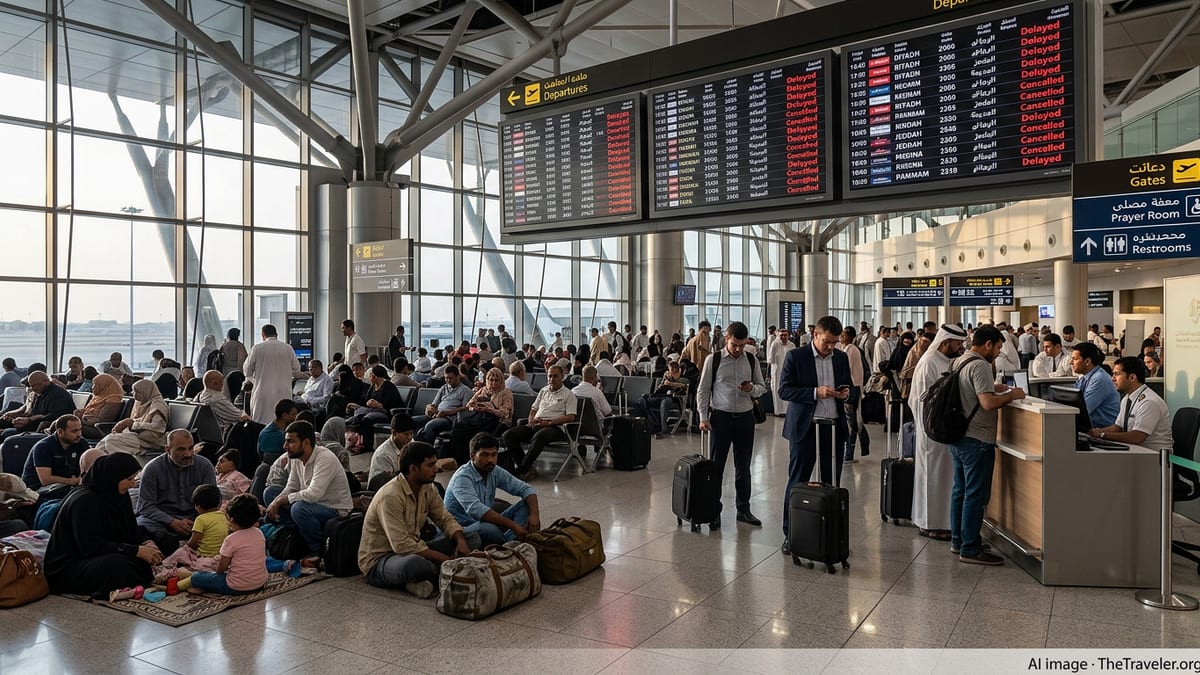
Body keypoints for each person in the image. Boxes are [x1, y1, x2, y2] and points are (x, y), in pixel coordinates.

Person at [358, 441, 480, 598]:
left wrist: (460, 541)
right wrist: (447, 560)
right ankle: (430, 574)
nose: (436, 469)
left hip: (415, 547)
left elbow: (444, 518)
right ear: (413, 469)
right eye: (430, 465)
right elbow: (401, 546)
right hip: (381, 560)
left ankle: (422, 580)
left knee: (472, 537)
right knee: (415, 564)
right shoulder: (390, 496)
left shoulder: (427, 487)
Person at [947, 325, 1025, 565]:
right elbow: (988, 403)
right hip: (977, 440)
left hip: (958, 436)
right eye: (999, 347)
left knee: (960, 491)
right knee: (974, 494)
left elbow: (971, 393)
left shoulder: (958, 361)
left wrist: (995, 388)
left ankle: (958, 540)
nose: (999, 352)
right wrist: (1012, 395)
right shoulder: (980, 364)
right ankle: (970, 548)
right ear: (988, 344)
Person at [778, 316, 851, 549]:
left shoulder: (841, 357)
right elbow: (784, 390)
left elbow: (850, 386)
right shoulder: (796, 356)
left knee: (832, 483)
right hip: (805, 427)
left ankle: (830, 533)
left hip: (833, 426)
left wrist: (847, 393)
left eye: (835, 342)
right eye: (827, 342)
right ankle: (792, 534)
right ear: (815, 335)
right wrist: (814, 392)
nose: (831, 347)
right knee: (798, 480)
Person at [44, 453, 161, 597]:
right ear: (113, 477)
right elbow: (90, 546)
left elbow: (131, 529)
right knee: (119, 564)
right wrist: (136, 550)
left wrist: (146, 543)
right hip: (71, 566)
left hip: (99, 554)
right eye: (129, 479)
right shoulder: (84, 501)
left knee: (156, 543)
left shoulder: (117, 494)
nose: (132, 484)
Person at [696, 321, 768, 529]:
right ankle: (714, 510)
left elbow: (762, 387)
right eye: (735, 344)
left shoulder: (751, 360)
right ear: (727, 339)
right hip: (721, 418)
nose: (738, 349)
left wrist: (751, 389)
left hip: (745, 418)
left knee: (743, 467)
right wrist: (703, 417)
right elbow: (703, 390)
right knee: (717, 466)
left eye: (742, 345)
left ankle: (743, 509)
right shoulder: (714, 359)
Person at [909, 324, 969, 541]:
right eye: (957, 343)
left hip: (943, 428)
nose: (960, 347)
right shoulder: (928, 362)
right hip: (931, 428)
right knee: (931, 476)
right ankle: (929, 523)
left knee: (943, 476)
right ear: (945, 343)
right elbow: (924, 399)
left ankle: (943, 522)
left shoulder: (947, 361)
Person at [265, 420, 353, 555]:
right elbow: (291, 487)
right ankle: (299, 533)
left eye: (290, 441)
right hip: (308, 504)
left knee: (298, 509)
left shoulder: (324, 458)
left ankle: (318, 550)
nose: (285, 446)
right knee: (270, 493)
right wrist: (275, 502)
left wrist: (281, 501)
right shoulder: (295, 457)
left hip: (332, 509)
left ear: (305, 442)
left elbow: (313, 494)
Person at [445, 432, 541, 546]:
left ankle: (508, 543)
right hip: (463, 529)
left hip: (485, 522)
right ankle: (511, 544)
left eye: (494, 454)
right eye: (485, 455)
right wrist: (514, 526)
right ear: (472, 456)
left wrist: (535, 515)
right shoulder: (462, 478)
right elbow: (477, 510)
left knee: (526, 506)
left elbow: (526, 489)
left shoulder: (494, 470)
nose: (490, 460)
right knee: (488, 529)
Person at [136, 429, 218, 553]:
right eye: (181, 449)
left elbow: (214, 501)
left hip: (196, 520)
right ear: (167, 450)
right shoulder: (152, 469)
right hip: (163, 521)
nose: (188, 454)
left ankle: (176, 545)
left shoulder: (204, 466)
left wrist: (199, 523)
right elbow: (146, 506)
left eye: (190, 448)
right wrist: (172, 522)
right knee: (139, 525)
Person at [180, 493, 270, 595]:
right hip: (260, 583)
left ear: (231, 520)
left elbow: (221, 568)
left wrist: (217, 575)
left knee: (198, 577)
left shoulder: (231, 539)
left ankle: (176, 586)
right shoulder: (259, 533)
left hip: (235, 587)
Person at [503, 364, 577, 482]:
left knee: (540, 435)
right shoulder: (544, 391)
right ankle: (527, 467)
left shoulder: (568, 394)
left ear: (562, 376)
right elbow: (533, 409)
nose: (552, 379)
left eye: (555, 376)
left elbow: (571, 417)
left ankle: (523, 468)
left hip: (555, 427)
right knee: (508, 435)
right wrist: (531, 420)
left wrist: (548, 422)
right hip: (537, 423)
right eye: (550, 376)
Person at [1087, 357, 1173, 451]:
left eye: (1117, 374)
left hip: (1154, 457)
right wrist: (1097, 431)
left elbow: (1137, 437)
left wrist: (1102, 435)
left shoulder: (1149, 402)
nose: (1113, 379)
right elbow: (1118, 427)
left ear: (1132, 377)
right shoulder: (1127, 398)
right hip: (1136, 452)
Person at [445, 368, 513, 466]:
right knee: (458, 429)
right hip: (479, 419)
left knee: (470, 433)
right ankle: (459, 461)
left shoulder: (506, 393)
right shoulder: (483, 390)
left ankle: (470, 461)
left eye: (496, 380)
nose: (493, 383)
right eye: (491, 380)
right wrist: (476, 406)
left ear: (501, 381)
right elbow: (469, 405)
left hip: (497, 421)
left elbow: (505, 413)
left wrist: (489, 408)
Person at [242, 324, 302, 425]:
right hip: (284, 393)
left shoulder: (257, 348)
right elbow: (296, 368)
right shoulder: (288, 348)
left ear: (263, 334)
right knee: (283, 424)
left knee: (261, 424)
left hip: (263, 394)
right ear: (276, 334)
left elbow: (247, 371)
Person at [93, 379, 169, 455]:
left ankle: (123, 463)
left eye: (137, 392)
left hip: (150, 441)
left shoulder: (158, 405)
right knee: (103, 443)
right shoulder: (143, 402)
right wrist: (127, 423)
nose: (133, 394)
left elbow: (158, 428)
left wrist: (132, 424)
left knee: (111, 440)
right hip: (137, 436)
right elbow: (140, 419)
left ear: (146, 392)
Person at [22, 414, 86, 495]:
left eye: (80, 430)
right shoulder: (43, 447)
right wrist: (72, 481)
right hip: (38, 490)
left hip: (66, 486)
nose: (79, 434)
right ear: (60, 432)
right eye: (74, 431)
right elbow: (46, 480)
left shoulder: (81, 443)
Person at [0, 370, 75, 438]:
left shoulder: (59, 394)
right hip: (33, 423)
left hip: (44, 427)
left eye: (38, 385)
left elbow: (56, 416)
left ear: (47, 381)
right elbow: (31, 411)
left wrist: (29, 420)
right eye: (32, 386)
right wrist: (17, 416)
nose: (34, 388)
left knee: (7, 433)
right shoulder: (38, 393)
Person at [413, 365, 473, 444]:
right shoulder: (444, 388)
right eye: (446, 378)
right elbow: (434, 404)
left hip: (449, 419)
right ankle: (415, 446)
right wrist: (429, 408)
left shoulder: (465, 391)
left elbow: (465, 409)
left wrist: (446, 413)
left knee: (430, 426)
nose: (448, 380)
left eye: (450, 378)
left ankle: (428, 452)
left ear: (458, 377)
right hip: (436, 415)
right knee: (412, 421)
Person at [838, 327, 870, 463]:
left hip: (852, 389)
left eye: (843, 335)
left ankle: (848, 454)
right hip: (851, 388)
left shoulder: (851, 350)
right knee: (852, 421)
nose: (841, 337)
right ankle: (848, 453)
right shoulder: (847, 349)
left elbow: (847, 370)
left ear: (849, 337)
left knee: (851, 422)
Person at [1071, 342, 1120, 427]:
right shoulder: (1083, 378)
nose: (1071, 362)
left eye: (1075, 359)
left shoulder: (1099, 379)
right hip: (1089, 429)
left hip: (1103, 431)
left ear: (1087, 361)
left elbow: (1082, 410)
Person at [637, 360, 688, 438]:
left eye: (670, 370)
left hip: (672, 399)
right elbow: (660, 387)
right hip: (660, 395)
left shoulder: (683, 378)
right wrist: (661, 385)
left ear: (675, 369)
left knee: (665, 402)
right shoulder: (667, 375)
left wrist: (671, 383)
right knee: (643, 400)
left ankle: (662, 427)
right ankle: (653, 423)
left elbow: (684, 386)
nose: (669, 372)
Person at [368, 414, 416, 490]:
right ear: (394, 433)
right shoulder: (383, 455)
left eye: (411, 433)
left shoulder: (410, 443)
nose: (410, 437)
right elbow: (383, 485)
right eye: (406, 434)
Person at [346, 365, 402, 430]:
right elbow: (365, 400)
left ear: (374, 376)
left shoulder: (389, 386)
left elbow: (392, 404)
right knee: (356, 418)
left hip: (386, 414)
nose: (369, 377)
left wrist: (379, 405)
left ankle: (367, 439)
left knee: (366, 419)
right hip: (372, 411)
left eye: (370, 375)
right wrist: (357, 405)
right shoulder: (373, 386)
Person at [197, 370, 251, 436]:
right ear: (215, 383)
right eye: (221, 383)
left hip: (207, 434)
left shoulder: (200, 395)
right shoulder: (217, 398)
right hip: (224, 434)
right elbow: (242, 416)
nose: (223, 386)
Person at [74, 372, 124, 439]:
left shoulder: (113, 399)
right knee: (63, 423)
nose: (92, 387)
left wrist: (82, 419)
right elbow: (88, 411)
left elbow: (104, 420)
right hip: (88, 424)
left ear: (103, 385)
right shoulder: (98, 397)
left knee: (67, 427)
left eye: (95, 384)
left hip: (99, 429)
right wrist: (80, 412)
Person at [259, 398, 298, 465]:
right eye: (293, 414)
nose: (296, 417)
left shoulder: (263, 432)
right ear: (284, 416)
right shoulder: (283, 436)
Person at [767, 328, 795, 417]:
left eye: (785, 335)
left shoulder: (792, 345)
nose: (783, 337)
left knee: (788, 389)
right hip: (776, 371)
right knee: (776, 389)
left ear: (788, 335)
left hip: (789, 372)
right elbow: (770, 359)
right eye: (781, 335)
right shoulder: (775, 344)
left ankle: (787, 411)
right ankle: (778, 411)